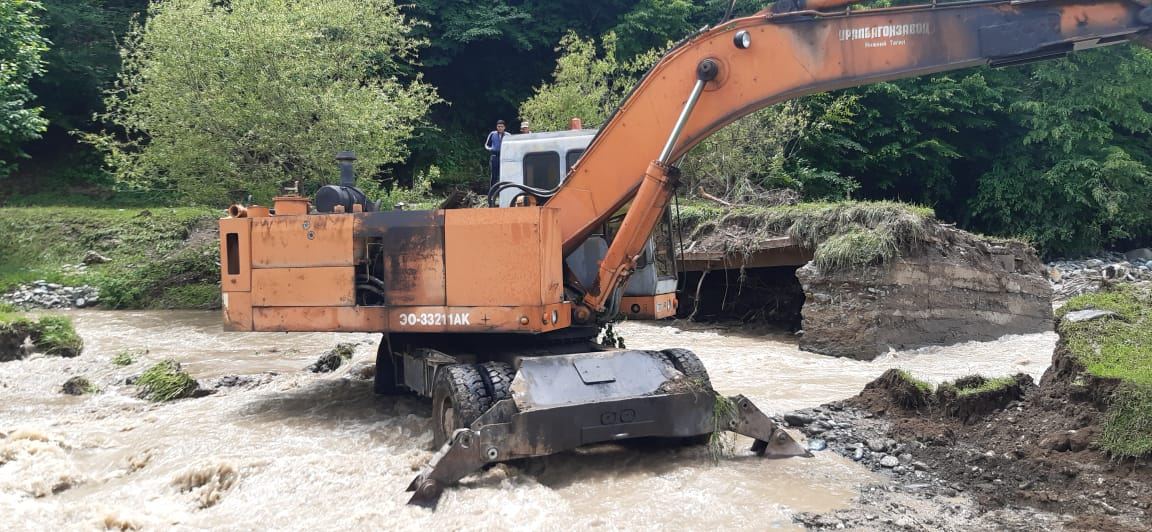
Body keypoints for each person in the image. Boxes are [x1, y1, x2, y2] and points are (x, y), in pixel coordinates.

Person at [484, 120, 508, 188]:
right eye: (498, 126)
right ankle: (492, 192)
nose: (500, 128)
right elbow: (486, 145)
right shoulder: (492, 134)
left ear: (504, 127)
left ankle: (502, 192)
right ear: (496, 127)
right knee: (494, 175)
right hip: (494, 157)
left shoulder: (508, 135)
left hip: (504, 158)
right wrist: (490, 149)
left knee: (504, 175)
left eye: (501, 126)